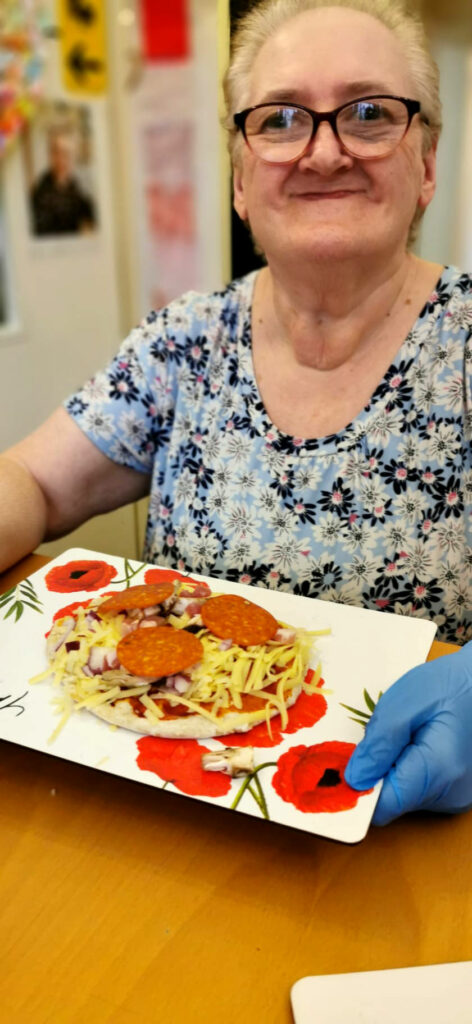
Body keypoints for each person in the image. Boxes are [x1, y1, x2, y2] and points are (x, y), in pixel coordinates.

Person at [1, 0, 471, 823]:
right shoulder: (184, 341)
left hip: (401, 832)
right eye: (280, 119)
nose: (324, 150)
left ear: (426, 164)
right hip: (164, 805)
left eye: (369, 114)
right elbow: (31, 481)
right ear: (240, 181)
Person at [30, 127, 96, 236]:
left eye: (67, 154)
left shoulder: (75, 186)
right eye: (57, 152)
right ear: (51, 155)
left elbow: (91, 213)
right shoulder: (40, 192)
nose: (62, 159)